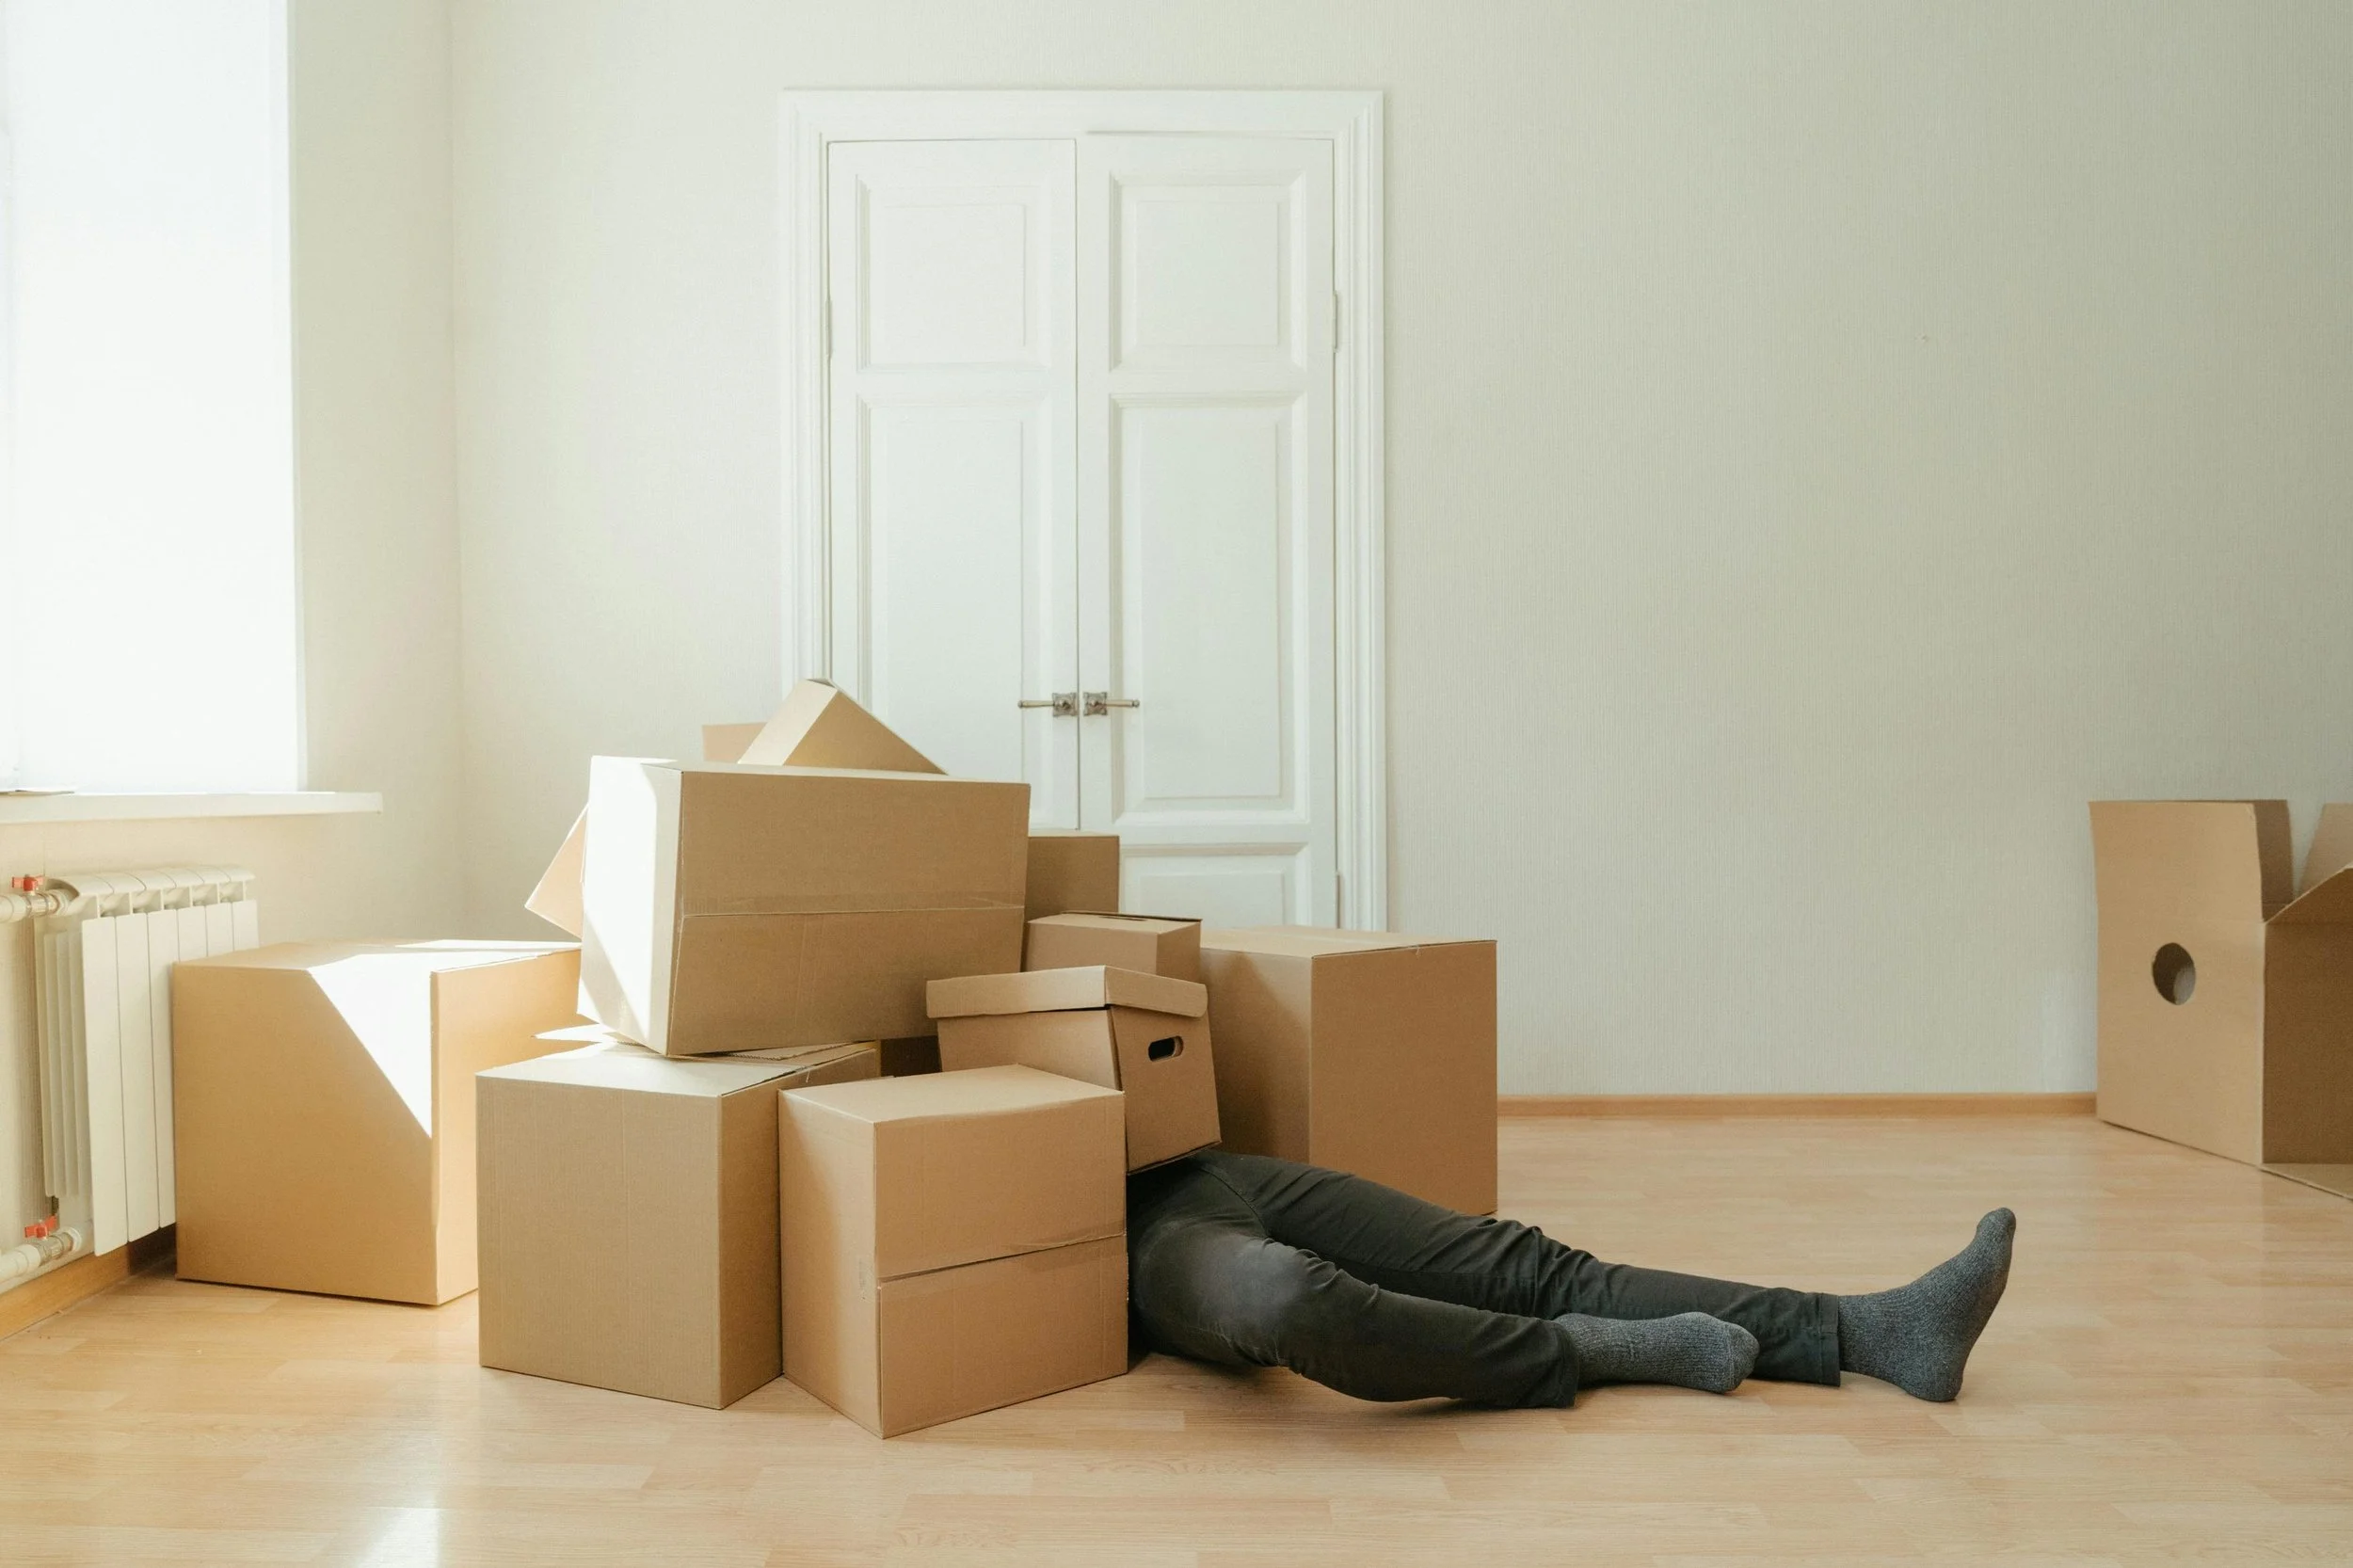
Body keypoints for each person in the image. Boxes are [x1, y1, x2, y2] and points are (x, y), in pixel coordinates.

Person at [1128, 1151, 2013, 1407]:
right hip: (1121, 1232)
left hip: (1188, 1164)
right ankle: (1575, 1354)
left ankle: (1872, 1330)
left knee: (1524, 1264)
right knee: (1286, 1297)